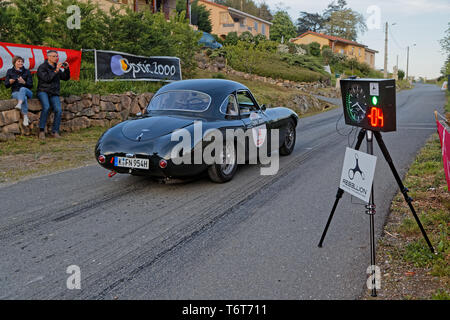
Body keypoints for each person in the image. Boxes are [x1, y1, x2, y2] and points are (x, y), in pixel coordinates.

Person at [37, 50, 70, 139]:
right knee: (46, 107)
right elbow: (47, 79)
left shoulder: (56, 67)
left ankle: (55, 131)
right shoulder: (42, 67)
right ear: (49, 57)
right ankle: (41, 131)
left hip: (54, 92)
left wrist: (67, 69)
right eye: (54, 56)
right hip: (43, 91)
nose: (56, 58)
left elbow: (65, 78)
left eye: (57, 56)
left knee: (58, 110)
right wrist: (56, 70)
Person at [4, 56, 33, 126]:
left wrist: (24, 83)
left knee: (22, 89)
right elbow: (6, 85)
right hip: (15, 92)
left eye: (22, 61)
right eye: (19, 61)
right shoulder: (10, 71)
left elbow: (31, 85)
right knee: (24, 98)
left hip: (27, 91)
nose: (21, 63)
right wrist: (10, 82)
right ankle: (25, 117)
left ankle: (19, 104)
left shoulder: (27, 71)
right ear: (14, 63)